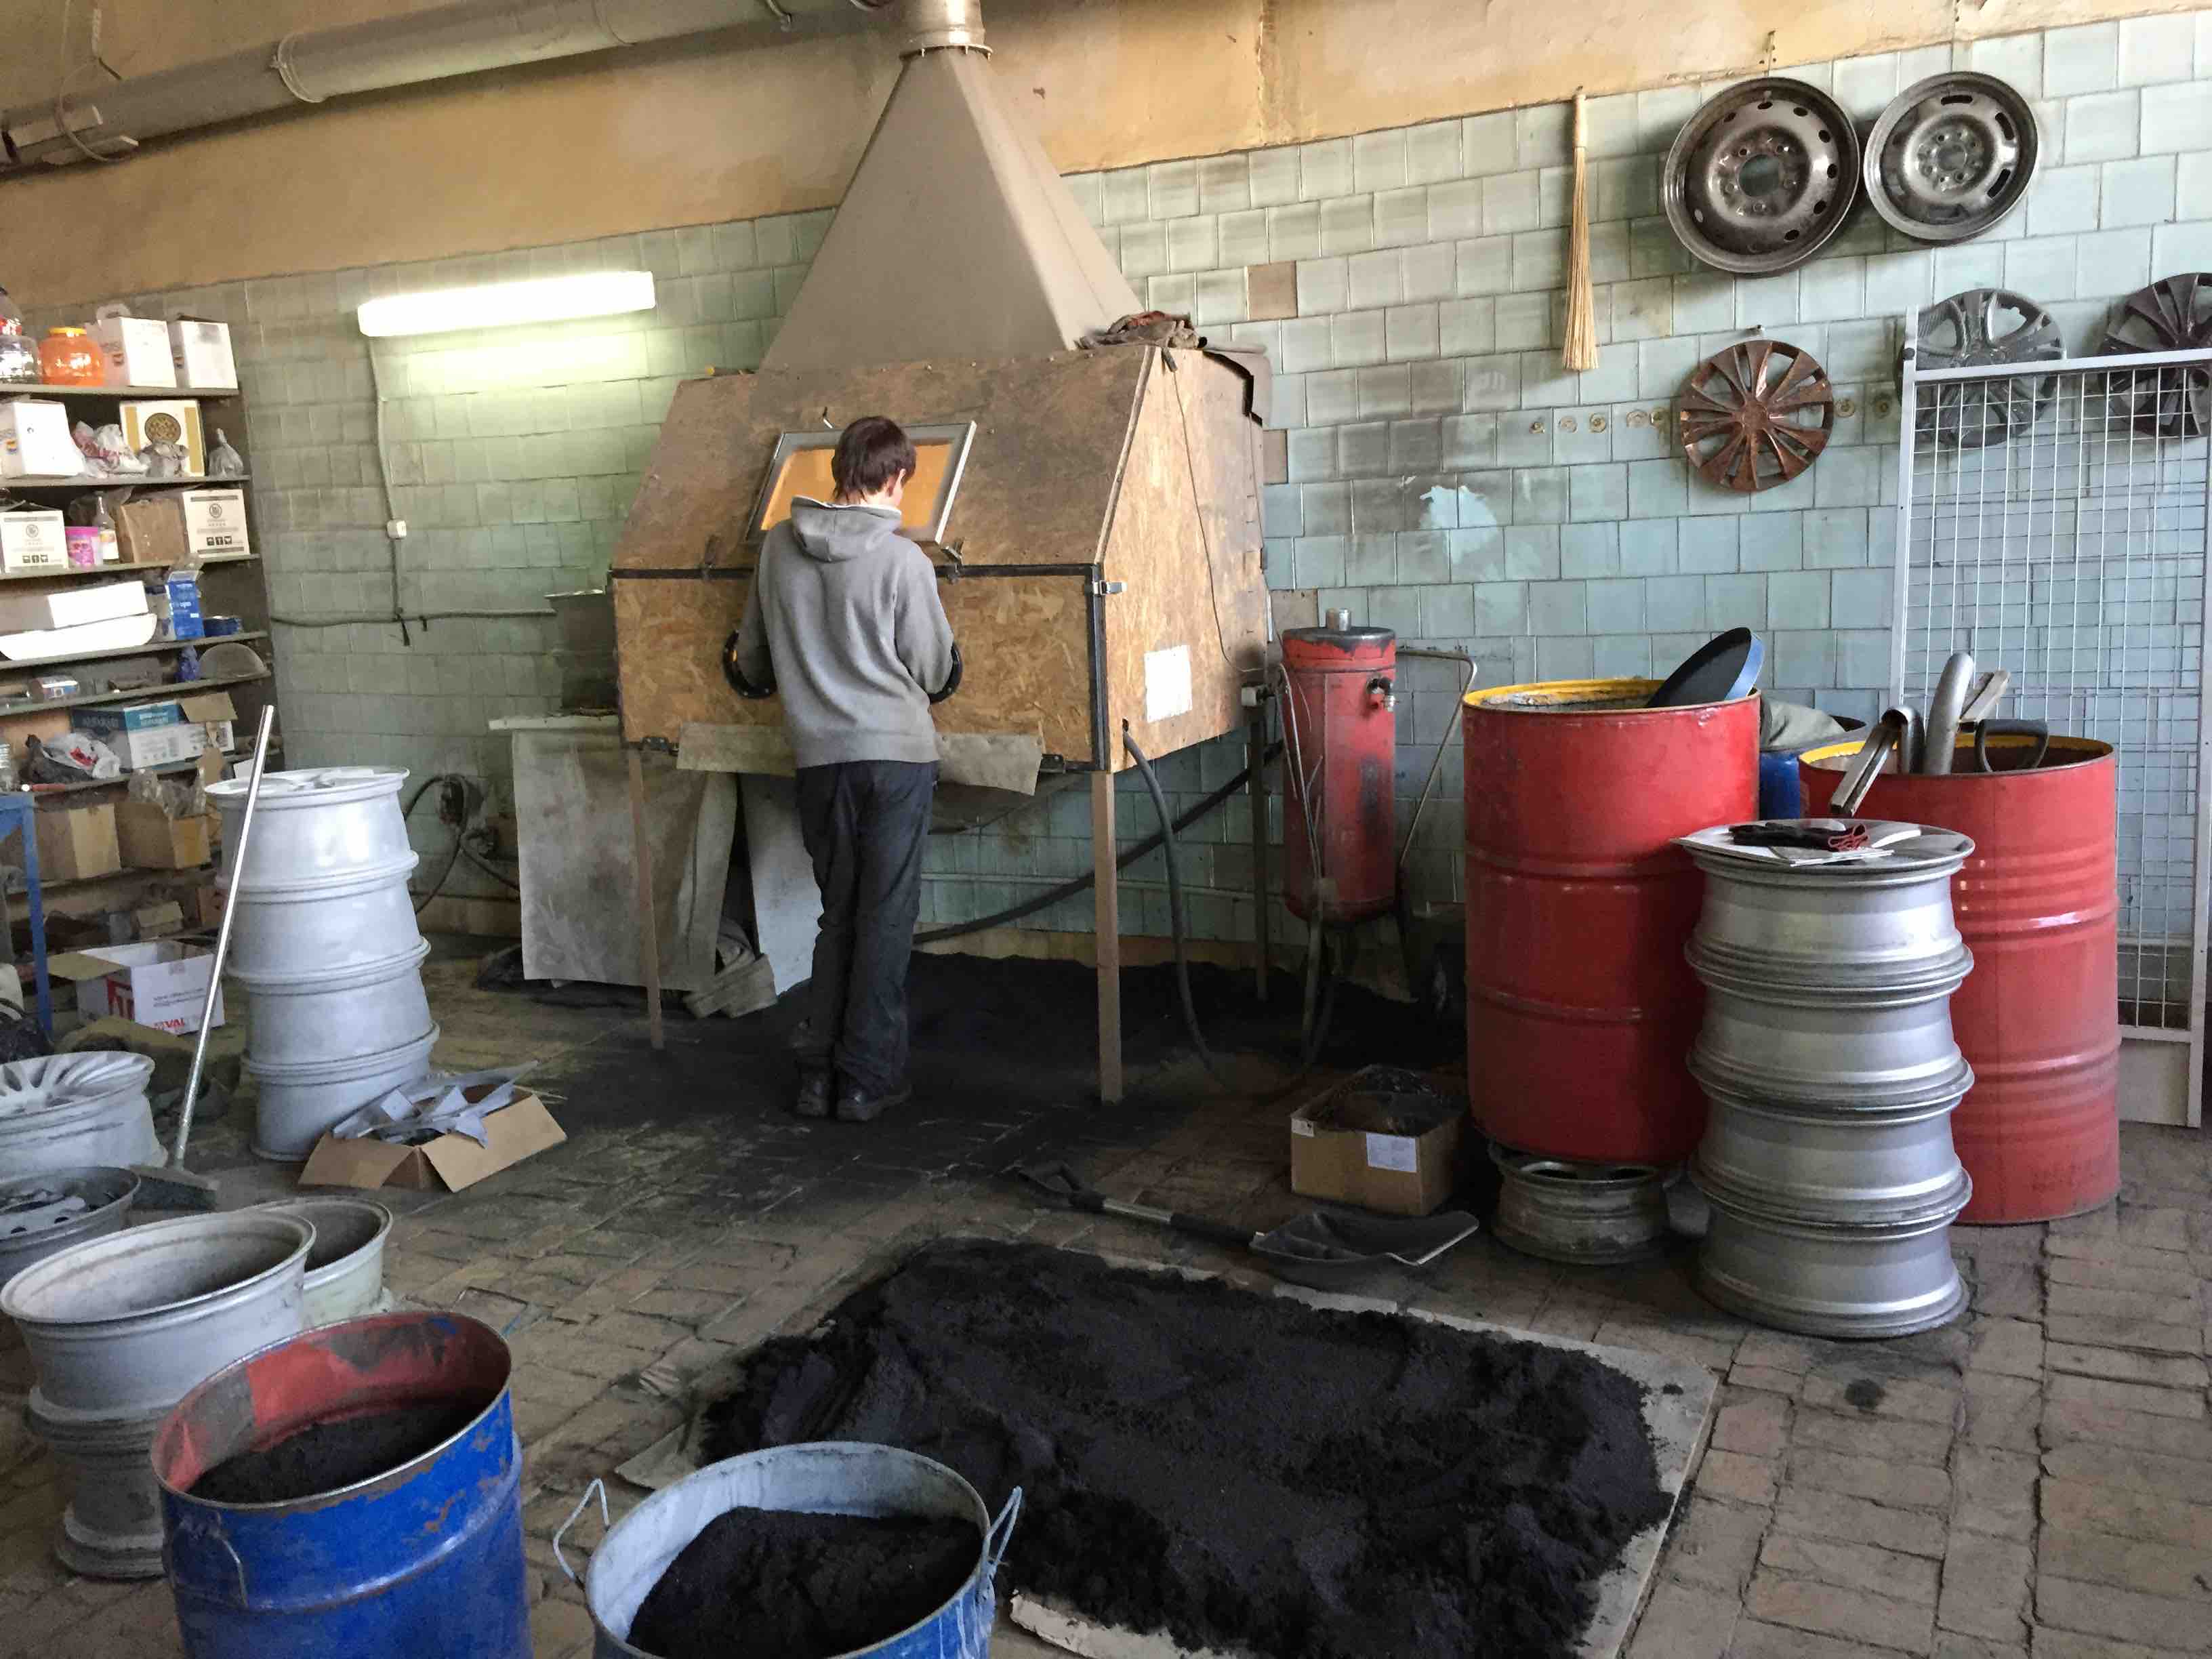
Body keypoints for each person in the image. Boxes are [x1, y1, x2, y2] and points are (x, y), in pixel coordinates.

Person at [726, 416, 960, 1122]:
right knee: (884, 919)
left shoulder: (776, 549)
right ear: (897, 478)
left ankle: (817, 1078)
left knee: (839, 917)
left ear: (837, 472)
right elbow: (936, 671)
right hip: (895, 760)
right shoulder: (904, 561)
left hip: (820, 761)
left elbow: (752, 662)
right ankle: (866, 1080)